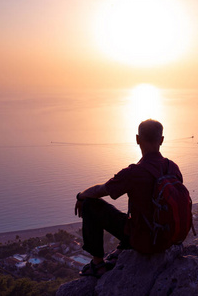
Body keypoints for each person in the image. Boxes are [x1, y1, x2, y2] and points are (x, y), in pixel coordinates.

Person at [74, 119, 183, 277]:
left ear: (137, 139)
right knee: (138, 214)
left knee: (90, 204)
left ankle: (98, 264)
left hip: (144, 242)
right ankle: (123, 246)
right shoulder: (172, 167)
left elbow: (100, 190)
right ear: (161, 140)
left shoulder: (133, 173)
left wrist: (81, 196)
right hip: (167, 239)